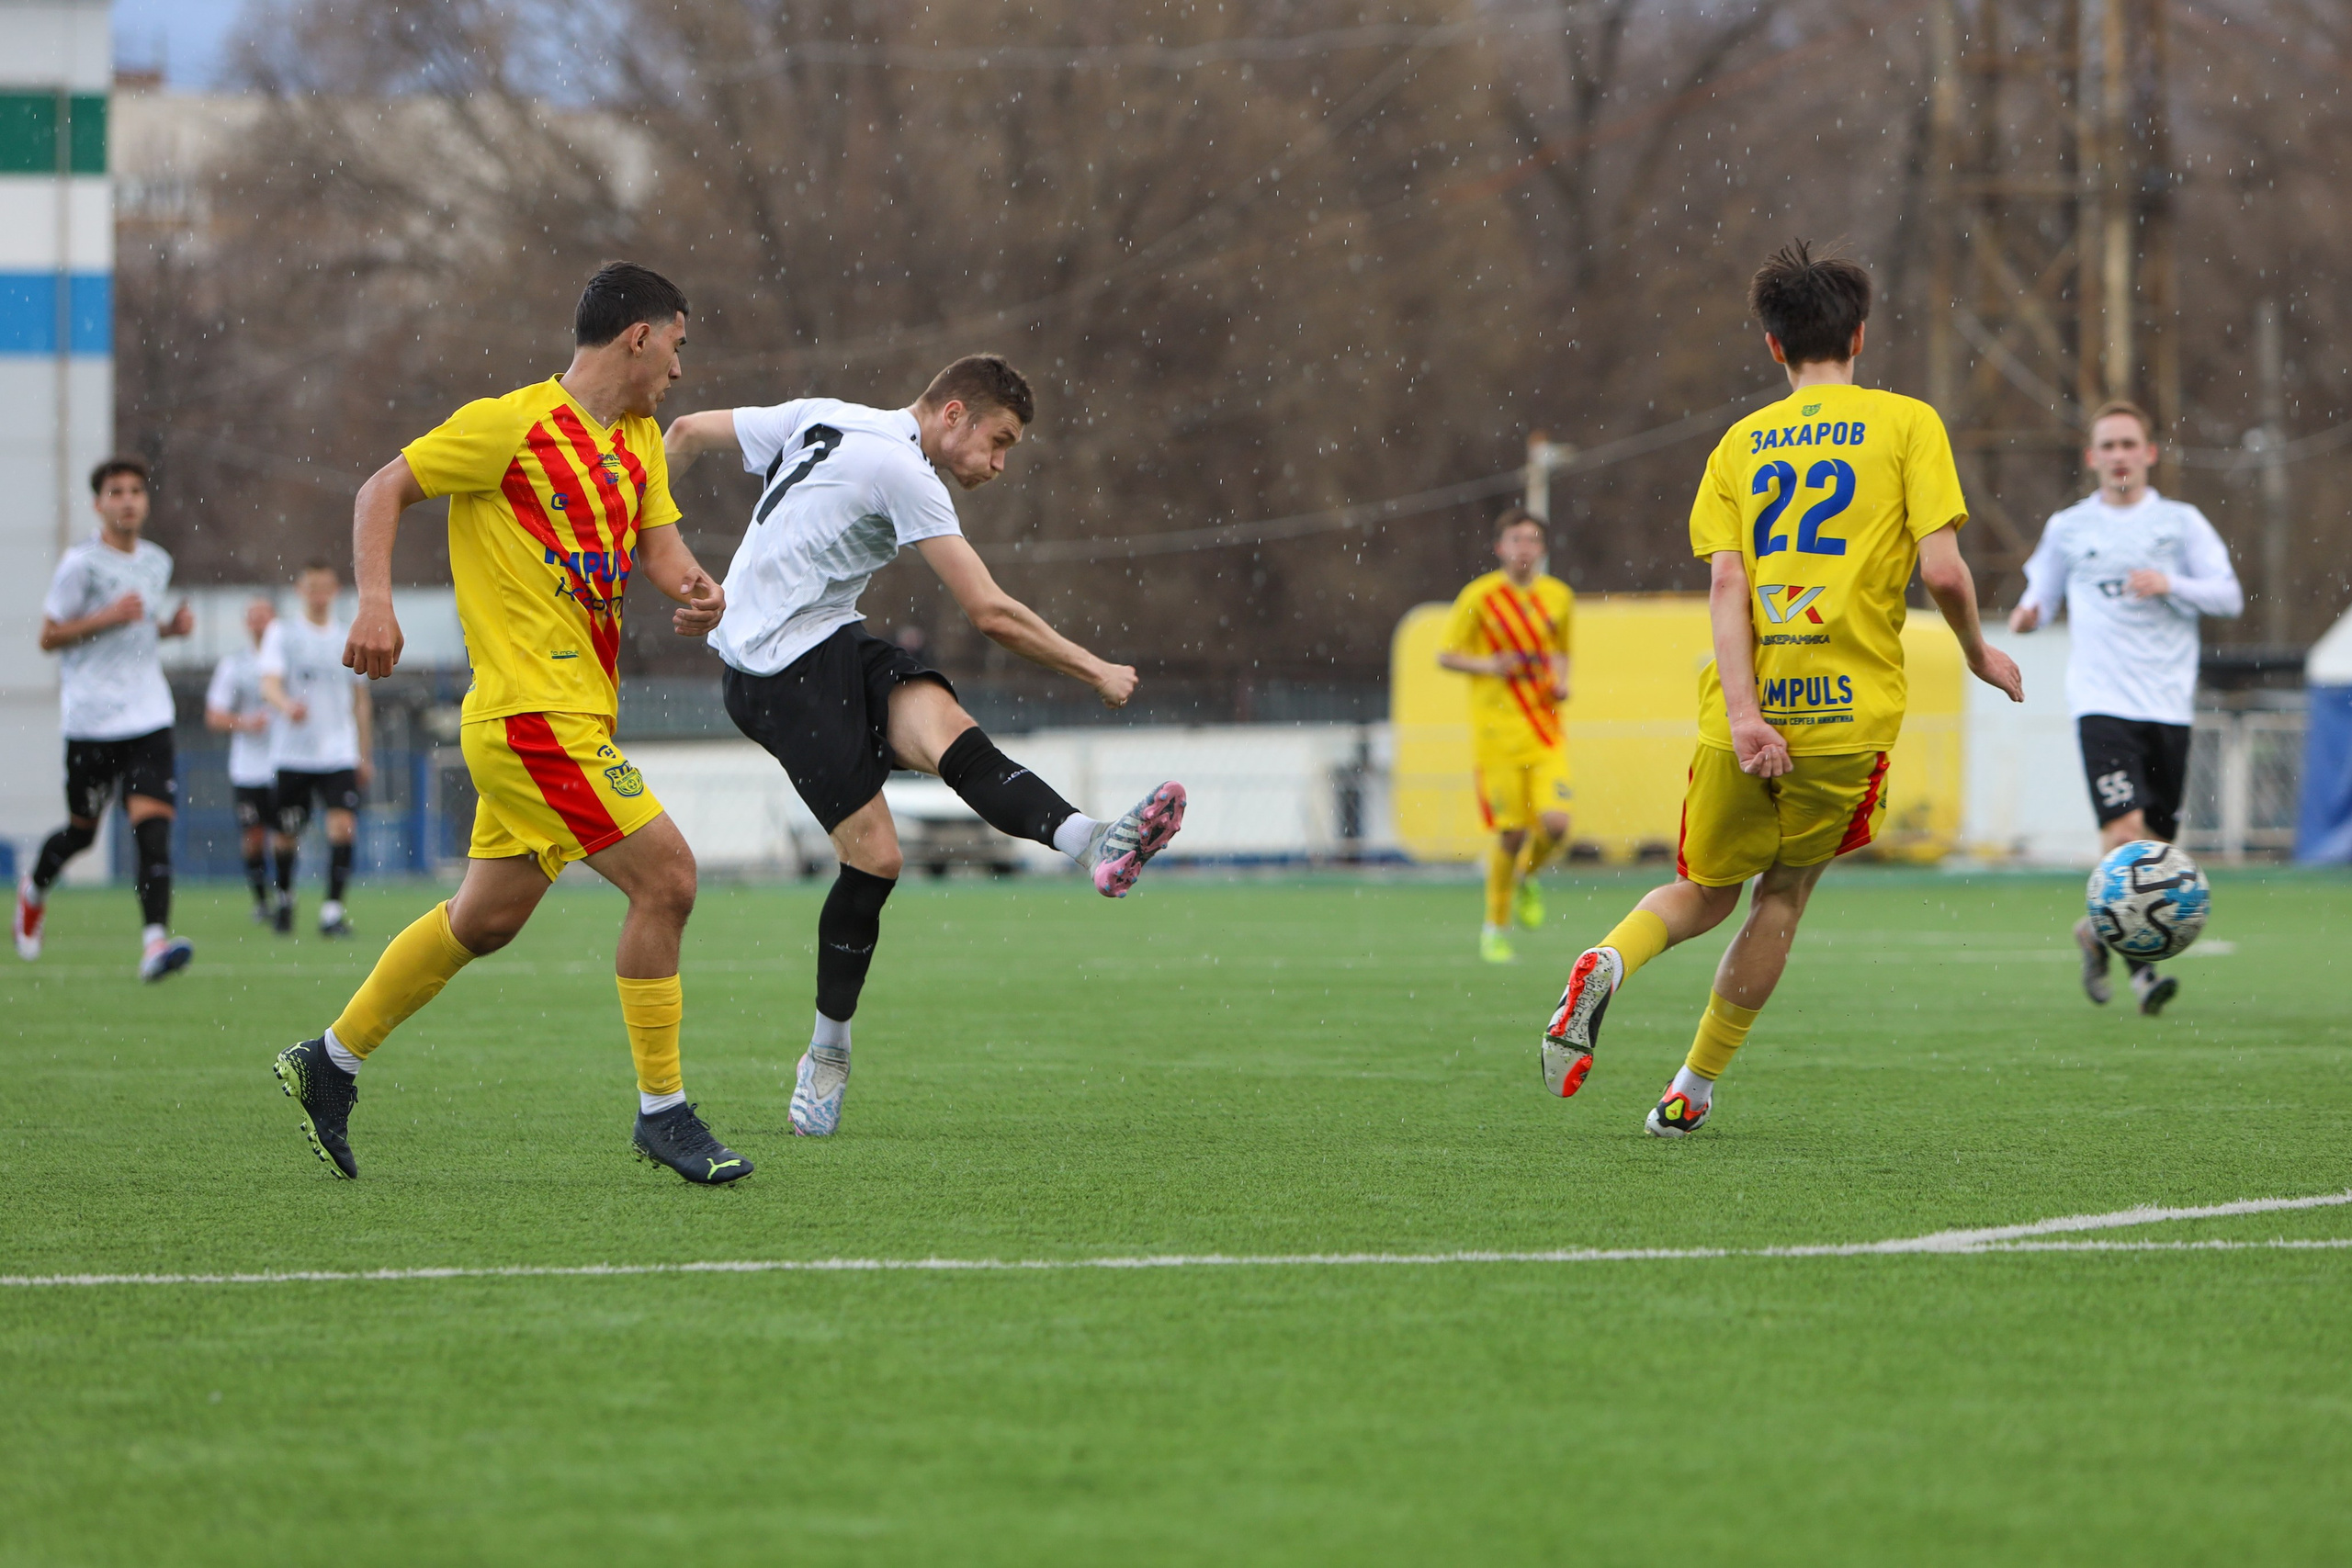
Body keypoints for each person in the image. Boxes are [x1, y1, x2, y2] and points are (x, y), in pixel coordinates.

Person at [271, 261, 751, 1185]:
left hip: (573, 718)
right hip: (533, 718)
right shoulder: (508, 425)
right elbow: (381, 490)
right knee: (670, 881)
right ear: (638, 337)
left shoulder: (639, 439)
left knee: (484, 923)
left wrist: (698, 590)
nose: (681, 374)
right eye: (678, 347)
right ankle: (665, 1114)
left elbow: (658, 548)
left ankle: (328, 1062)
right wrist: (375, 604)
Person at [1538, 241, 2024, 1136]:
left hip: (1745, 713)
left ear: (1772, 346)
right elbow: (1947, 574)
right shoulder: (1907, 424)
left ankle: (1610, 957)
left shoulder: (1739, 443)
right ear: (1860, 337)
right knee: (1781, 899)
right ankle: (1690, 1087)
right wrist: (1975, 652)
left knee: (1701, 891)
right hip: (1846, 716)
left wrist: (1745, 713)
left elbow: (1727, 587)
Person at [664, 353, 1186, 1139]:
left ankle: (1092, 842)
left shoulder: (824, 412)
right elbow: (991, 612)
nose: (1001, 465)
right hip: (772, 671)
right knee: (877, 859)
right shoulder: (906, 472)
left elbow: (681, 432)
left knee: (950, 731)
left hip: (831, 637)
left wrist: (631, 523)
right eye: (998, 442)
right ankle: (826, 1054)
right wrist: (1095, 669)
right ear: (953, 417)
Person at [2008, 400, 2243, 1015]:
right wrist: (2028, 616)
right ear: (2092, 458)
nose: (2118, 455)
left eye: (2127, 444)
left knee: (2159, 851)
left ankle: (2095, 931)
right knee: (2125, 833)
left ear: (2149, 453)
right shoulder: (2069, 527)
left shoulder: (2181, 523)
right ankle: (2143, 975)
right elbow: (2042, 593)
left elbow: (2229, 596)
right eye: (2107, 445)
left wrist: (2172, 584)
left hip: (2168, 706)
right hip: (2101, 701)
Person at [15, 457, 198, 981]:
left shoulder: (157, 562)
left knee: (153, 832)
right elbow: (49, 636)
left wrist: (168, 630)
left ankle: (154, 945)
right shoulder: (80, 565)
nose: (127, 500)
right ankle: (34, 892)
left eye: (136, 490)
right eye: (116, 492)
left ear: (146, 501)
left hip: (148, 716)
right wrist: (107, 616)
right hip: (92, 720)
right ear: (99, 504)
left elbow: (137, 632)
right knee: (82, 833)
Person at [1437, 504, 1575, 964]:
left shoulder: (1558, 596)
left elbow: (1561, 652)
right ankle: (1494, 928)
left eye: (1532, 539)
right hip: (1496, 738)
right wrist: (1489, 665)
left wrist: (1563, 680)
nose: (1524, 548)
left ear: (1542, 548)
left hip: (1544, 730)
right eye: (1516, 539)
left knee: (1556, 825)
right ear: (1500, 547)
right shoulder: (1480, 596)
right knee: (1511, 834)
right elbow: (1446, 655)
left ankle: (1528, 878)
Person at [260, 562, 375, 937]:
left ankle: (332, 910)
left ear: (336, 590)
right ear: (300, 590)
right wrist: (285, 706)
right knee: (286, 834)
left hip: (337, 752)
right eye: (312, 587)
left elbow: (360, 699)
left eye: (325, 587)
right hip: (293, 753)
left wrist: (363, 752)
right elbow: (270, 683)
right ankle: (286, 898)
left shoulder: (348, 635)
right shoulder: (283, 633)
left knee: (343, 827)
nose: (319, 595)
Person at [204, 595, 279, 922]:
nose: (260, 623)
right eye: (254, 617)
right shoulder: (235, 665)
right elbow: (214, 716)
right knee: (254, 837)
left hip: (285, 763)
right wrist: (246, 724)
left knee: (285, 835)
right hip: (249, 768)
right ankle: (262, 900)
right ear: (246, 624)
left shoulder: (288, 659)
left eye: (265, 616)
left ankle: (287, 898)